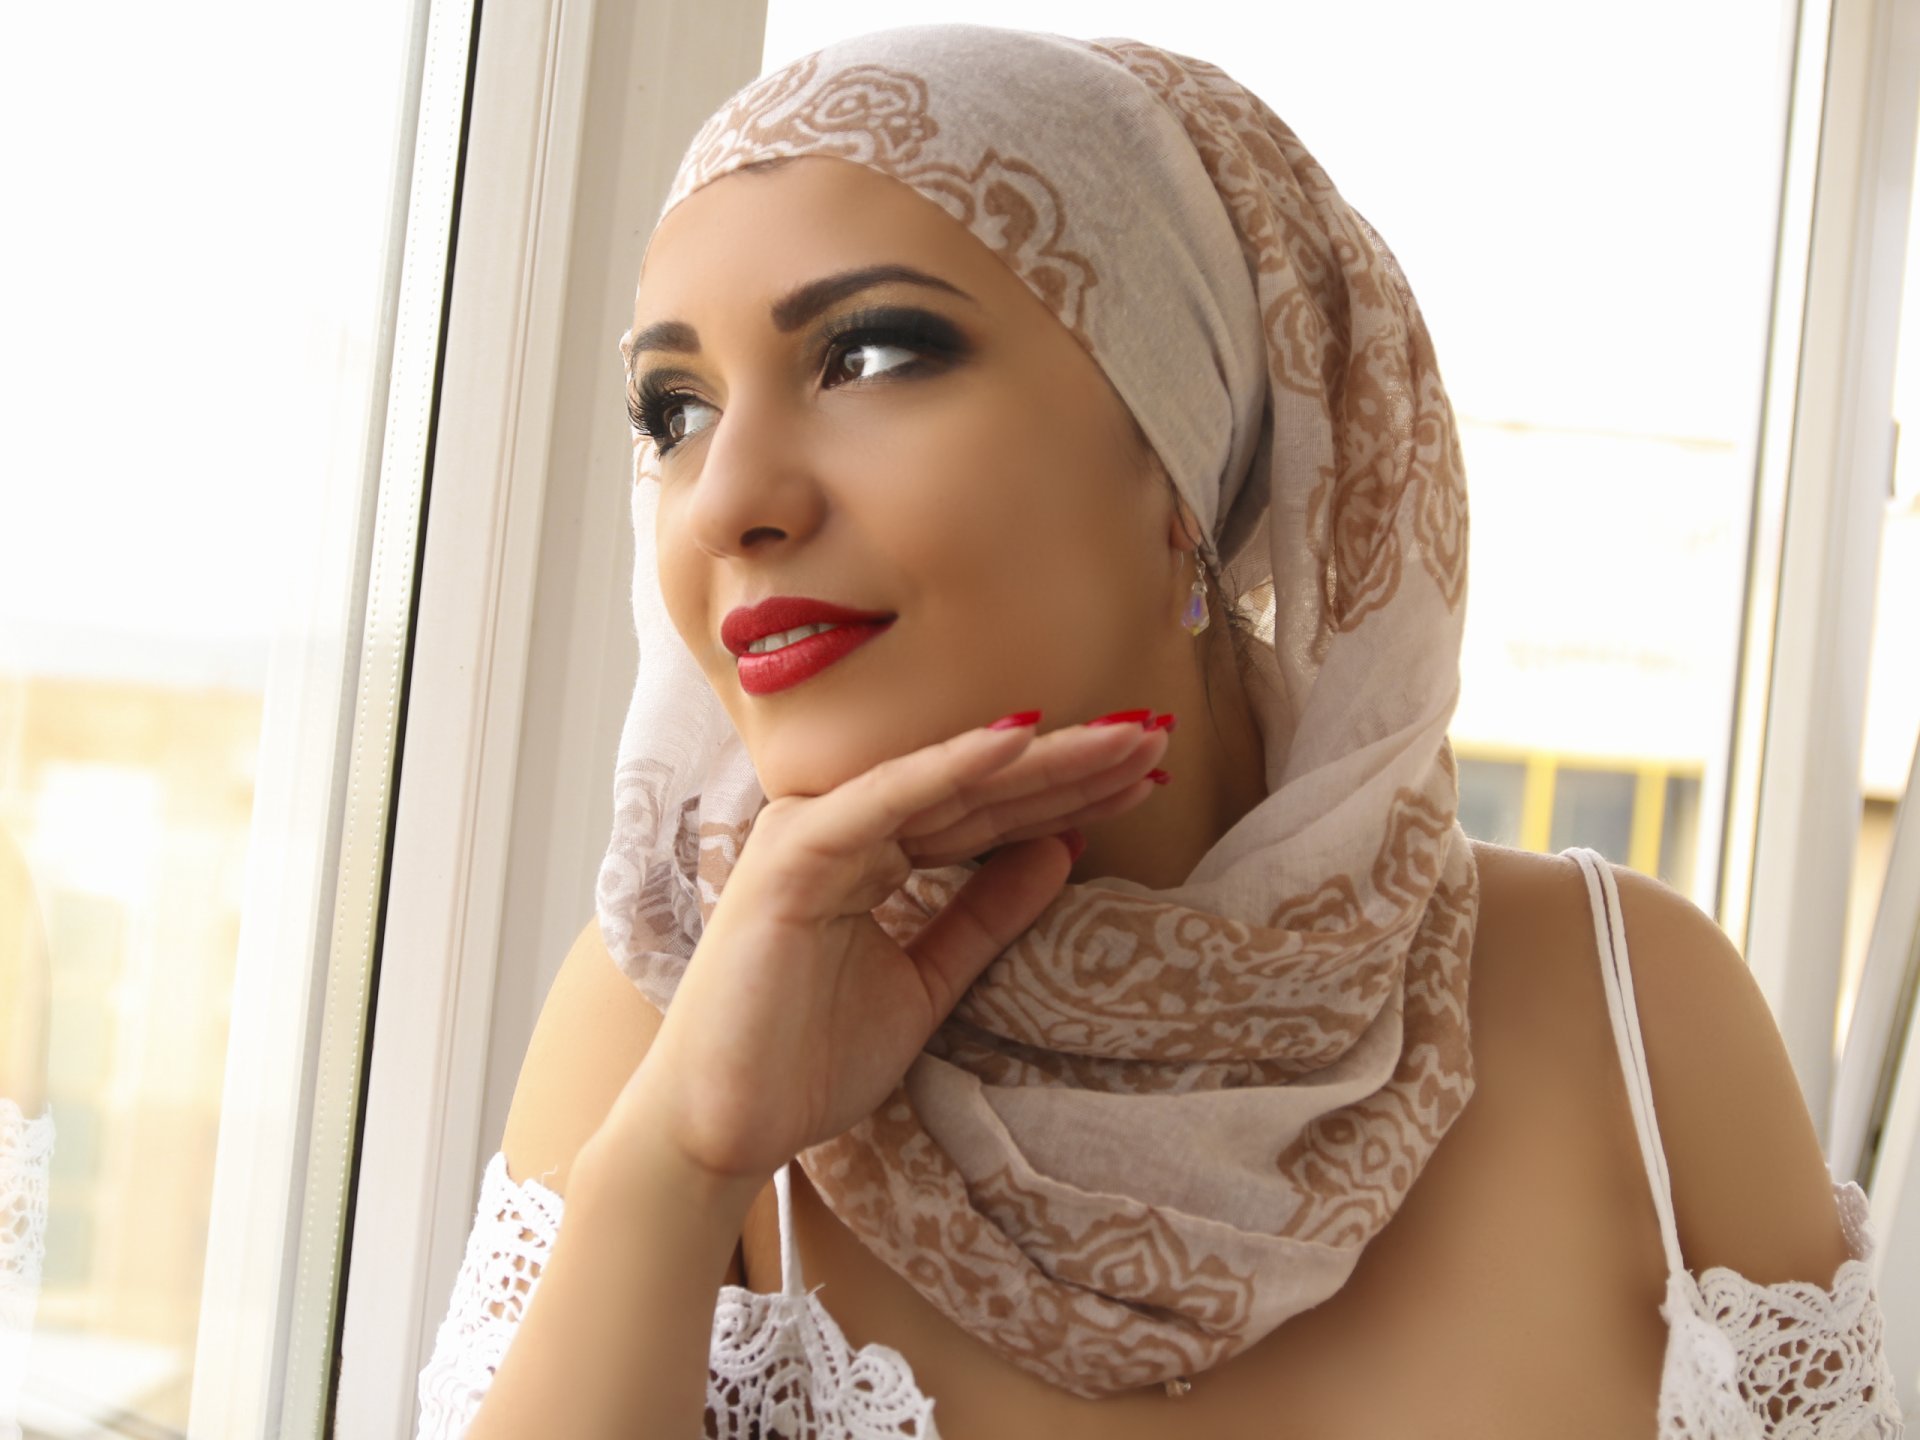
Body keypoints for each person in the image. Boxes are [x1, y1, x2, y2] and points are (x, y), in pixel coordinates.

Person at [417, 24, 1903, 1438]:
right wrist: (683, 1158)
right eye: (674, 412)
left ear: (1182, 458)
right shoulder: (674, 1020)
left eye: (868, 356)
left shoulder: (1631, 1011)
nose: (727, 499)